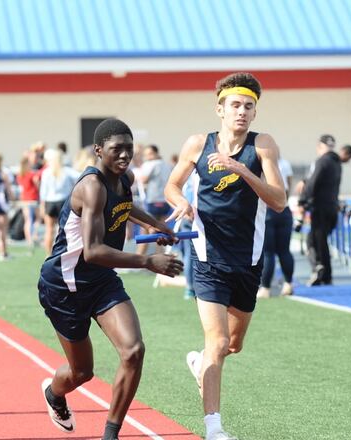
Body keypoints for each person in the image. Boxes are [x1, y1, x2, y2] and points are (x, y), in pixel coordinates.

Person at [38, 118, 182, 440]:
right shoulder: (91, 187)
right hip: (65, 285)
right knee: (82, 373)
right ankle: (54, 394)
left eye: (129, 149)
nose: (124, 156)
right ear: (98, 150)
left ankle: (111, 434)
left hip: (102, 279)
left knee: (133, 351)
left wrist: (154, 224)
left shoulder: (124, 177)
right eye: (117, 149)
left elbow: (126, 206)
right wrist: (148, 262)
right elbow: (92, 250)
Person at [164, 72, 285, 440]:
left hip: (247, 261)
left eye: (249, 106)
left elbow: (278, 201)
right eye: (235, 105)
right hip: (207, 257)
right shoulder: (198, 144)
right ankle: (214, 429)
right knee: (216, 342)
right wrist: (181, 201)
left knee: (233, 344)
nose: (242, 112)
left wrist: (242, 170)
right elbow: (172, 184)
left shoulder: (262, 146)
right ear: (220, 109)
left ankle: (202, 365)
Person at [298, 135, 342, 286]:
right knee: (321, 242)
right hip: (332, 207)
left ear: (320, 147)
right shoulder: (337, 162)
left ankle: (319, 270)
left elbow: (312, 182)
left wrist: (302, 200)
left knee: (314, 241)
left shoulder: (322, 161)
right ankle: (325, 274)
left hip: (321, 208)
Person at [257, 155, 294, 298]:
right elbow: (288, 185)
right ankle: (288, 284)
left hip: (268, 210)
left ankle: (266, 288)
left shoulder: (260, 164)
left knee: (268, 252)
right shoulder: (284, 163)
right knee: (284, 250)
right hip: (284, 209)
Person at [39, 148, 78, 255]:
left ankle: (48, 255)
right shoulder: (66, 171)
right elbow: (81, 176)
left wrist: (42, 206)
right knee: (63, 230)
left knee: (49, 230)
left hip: (49, 202)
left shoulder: (46, 172)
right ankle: (61, 253)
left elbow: (43, 192)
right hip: (63, 203)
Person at [136, 144, 173, 255]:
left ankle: (139, 258)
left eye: (150, 154)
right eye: (146, 154)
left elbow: (143, 180)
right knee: (162, 231)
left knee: (145, 230)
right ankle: (160, 257)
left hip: (152, 201)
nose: (148, 156)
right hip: (165, 201)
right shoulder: (167, 165)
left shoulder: (150, 164)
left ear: (156, 153)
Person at [17, 147, 41, 250]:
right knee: (38, 218)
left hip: (24, 199)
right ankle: (34, 236)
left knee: (28, 220)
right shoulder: (31, 174)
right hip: (33, 198)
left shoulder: (20, 175)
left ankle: (29, 240)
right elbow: (37, 185)